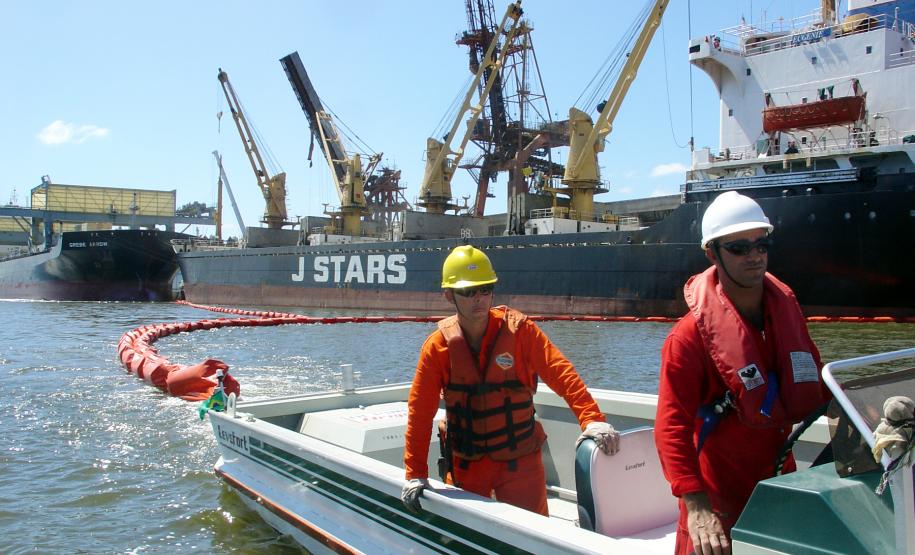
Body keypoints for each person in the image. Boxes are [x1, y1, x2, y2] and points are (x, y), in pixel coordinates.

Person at [654, 191, 830, 555]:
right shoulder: (687, 338)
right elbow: (670, 428)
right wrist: (697, 507)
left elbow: (821, 384)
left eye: (761, 244)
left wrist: (864, 412)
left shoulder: (786, 317)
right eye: (738, 248)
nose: (754, 256)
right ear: (712, 253)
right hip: (716, 509)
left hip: (780, 492)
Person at [401, 245, 620, 515]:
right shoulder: (437, 348)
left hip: (521, 463)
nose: (478, 299)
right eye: (468, 292)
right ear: (449, 296)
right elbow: (420, 411)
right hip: (468, 467)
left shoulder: (520, 331)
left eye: (485, 289)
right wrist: (415, 473)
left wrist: (592, 418)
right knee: (470, 538)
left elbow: (562, 373)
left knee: (535, 536)